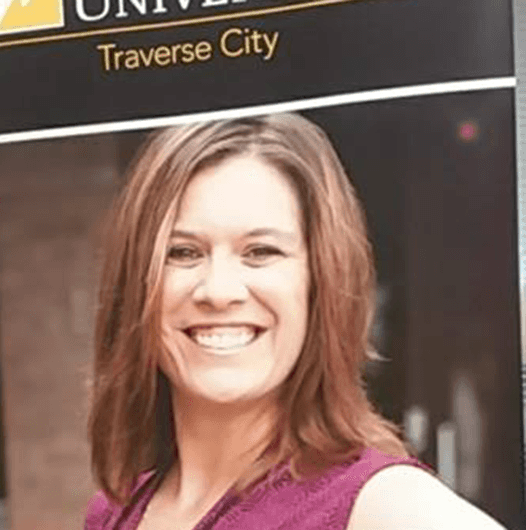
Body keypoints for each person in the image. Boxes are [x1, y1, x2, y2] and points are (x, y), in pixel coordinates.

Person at [84, 114, 507, 530]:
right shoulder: (114, 511)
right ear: (136, 284)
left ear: (319, 282)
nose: (218, 290)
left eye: (261, 251)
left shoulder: (378, 505)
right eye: (183, 252)